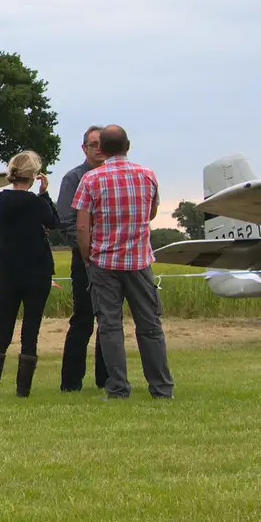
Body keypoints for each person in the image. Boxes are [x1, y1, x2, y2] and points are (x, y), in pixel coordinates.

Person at [72, 125, 174, 399]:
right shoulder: (147, 175)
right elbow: (151, 212)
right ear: (128, 145)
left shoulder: (91, 180)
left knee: (110, 326)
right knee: (150, 325)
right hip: (139, 262)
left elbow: (82, 227)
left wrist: (87, 257)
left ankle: (117, 387)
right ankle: (161, 387)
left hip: (104, 263)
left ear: (102, 149)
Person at [0, 151, 60, 397]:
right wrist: (44, 194)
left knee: (4, 328)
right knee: (30, 329)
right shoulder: (36, 203)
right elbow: (54, 222)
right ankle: (22, 389)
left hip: (7, 270)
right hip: (37, 271)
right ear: (34, 176)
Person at [55, 126, 108, 391]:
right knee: (83, 319)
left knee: (110, 321)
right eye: (93, 144)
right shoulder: (73, 179)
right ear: (84, 148)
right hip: (85, 259)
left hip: (113, 259)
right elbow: (65, 223)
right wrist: (89, 249)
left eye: (103, 144)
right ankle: (71, 383)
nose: (98, 148)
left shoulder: (115, 177)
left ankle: (107, 379)